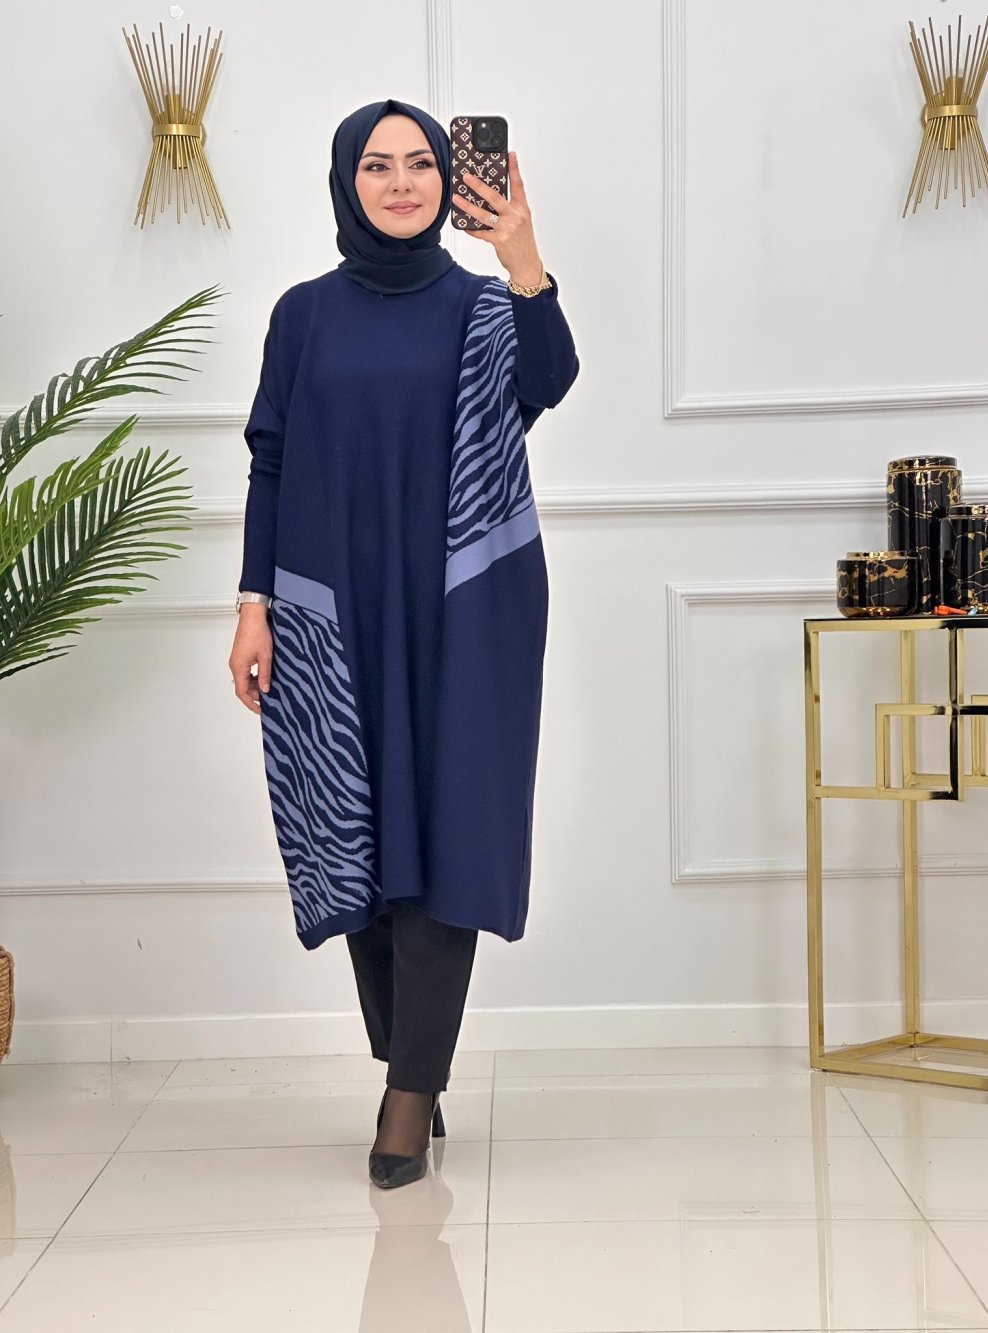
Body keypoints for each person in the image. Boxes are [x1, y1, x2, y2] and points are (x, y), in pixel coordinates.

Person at [229, 98, 579, 1188]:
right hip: (331, 609)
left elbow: (548, 381)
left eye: (421, 162)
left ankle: (408, 1094)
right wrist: (253, 603)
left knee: (449, 830)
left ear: (447, 179)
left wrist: (522, 256)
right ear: (347, 182)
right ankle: (412, 1057)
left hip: (463, 608)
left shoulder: (484, 305)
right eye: (376, 165)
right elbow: (270, 459)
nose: (401, 182)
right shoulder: (303, 316)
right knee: (357, 834)